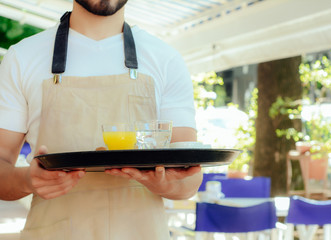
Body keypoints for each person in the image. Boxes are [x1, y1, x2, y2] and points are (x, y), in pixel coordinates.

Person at [0, 0, 203, 239]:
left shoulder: (166, 59)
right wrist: (28, 180)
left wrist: (164, 183)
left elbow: (189, 178)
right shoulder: (22, 58)